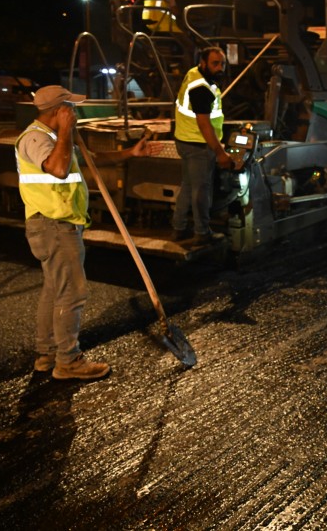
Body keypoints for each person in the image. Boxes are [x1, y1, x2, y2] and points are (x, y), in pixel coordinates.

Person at [16, 85, 162, 380]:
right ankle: (68, 361)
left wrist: (131, 152)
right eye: (72, 107)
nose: (76, 112)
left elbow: (89, 158)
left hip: (58, 223)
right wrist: (68, 130)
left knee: (54, 290)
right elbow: (57, 169)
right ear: (59, 111)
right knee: (72, 292)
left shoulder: (56, 138)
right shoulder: (36, 138)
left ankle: (47, 354)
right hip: (54, 225)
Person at [172, 46, 239, 244]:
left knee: (188, 186)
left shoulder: (193, 74)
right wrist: (220, 153)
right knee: (201, 190)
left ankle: (178, 228)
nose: (220, 68)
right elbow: (203, 123)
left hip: (184, 140)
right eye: (215, 64)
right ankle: (202, 232)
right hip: (198, 145)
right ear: (203, 63)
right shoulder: (201, 88)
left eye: (223, 64)